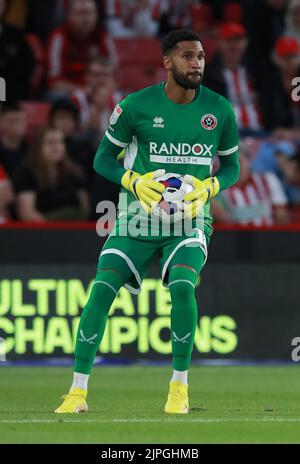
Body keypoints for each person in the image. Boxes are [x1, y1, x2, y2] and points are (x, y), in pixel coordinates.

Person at [55, 29, 240, 414]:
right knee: (102, 288)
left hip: (190, 218)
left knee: (184, 287)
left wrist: (209, 189)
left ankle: (179, 387)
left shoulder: (219, 110)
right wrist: (134, 181)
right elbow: (103, 160)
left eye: (201, 56)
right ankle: (77, 391)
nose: (197, 63)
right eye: (188, 56)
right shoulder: (135, 106)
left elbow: (233, 166)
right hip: (137, 218)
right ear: (168, 62)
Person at [14, 127, 90, 221]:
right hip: (42, 232)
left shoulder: (74, 172)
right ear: (38, 146)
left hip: (75, 229)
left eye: (60, 142)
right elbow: (27, 213)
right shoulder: (26, 173)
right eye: (50, 142)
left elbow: (85, 209)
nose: (57, 147)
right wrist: (52, 233)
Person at [203, 22, 264, 135]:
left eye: (238, 40)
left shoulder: (259, 71)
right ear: (219, 43)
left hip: (261, 132)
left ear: (246, 43)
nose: (234, 45)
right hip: (228, 136)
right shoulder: (207, 76)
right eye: (228, 40)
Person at [46, 0, 116, 97]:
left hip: (100, 91)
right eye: (80, 13)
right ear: (69, 16)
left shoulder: (103, 37)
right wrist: (83, 92)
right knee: (57, 96)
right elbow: (53, 81)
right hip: (69, 93)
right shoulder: (59, 37)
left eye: (90, 13)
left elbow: (114, 74)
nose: (86, 18)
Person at [211, 144, 289, 226]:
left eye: (239, 161)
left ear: (249, 160)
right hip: (234, 237)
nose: (236, 168)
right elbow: (223, 220)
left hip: (268, 235)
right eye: (229, 165)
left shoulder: (268, 180)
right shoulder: (219, 188)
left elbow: (282, 216)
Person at [0, 104, 28, 179]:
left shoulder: (31, 150)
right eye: (12, 121)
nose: (18, 125)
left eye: (21, 121)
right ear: (1, 123)